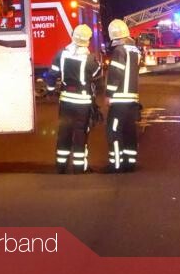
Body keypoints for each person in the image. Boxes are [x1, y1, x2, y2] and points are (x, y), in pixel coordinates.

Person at [46, 24, 102, 174]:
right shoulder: (90, 59)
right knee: (80, 133)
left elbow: (52, 75)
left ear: (73, 36)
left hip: (66, 101)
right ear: (87, 40)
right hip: (83, 102)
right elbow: (97, 74)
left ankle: (61, 166)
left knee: (64, 131)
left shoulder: (61, 54)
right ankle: (79, 167)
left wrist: (51, 91)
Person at [105, 19, 142, 173]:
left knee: (113, 131)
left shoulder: (119, 51)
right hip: (132, 99)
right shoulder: (135, 51)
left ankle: (116, 164)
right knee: (129, 131)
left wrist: (109, 94)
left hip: (120, 99)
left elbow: (116, 74)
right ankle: (130, 163)